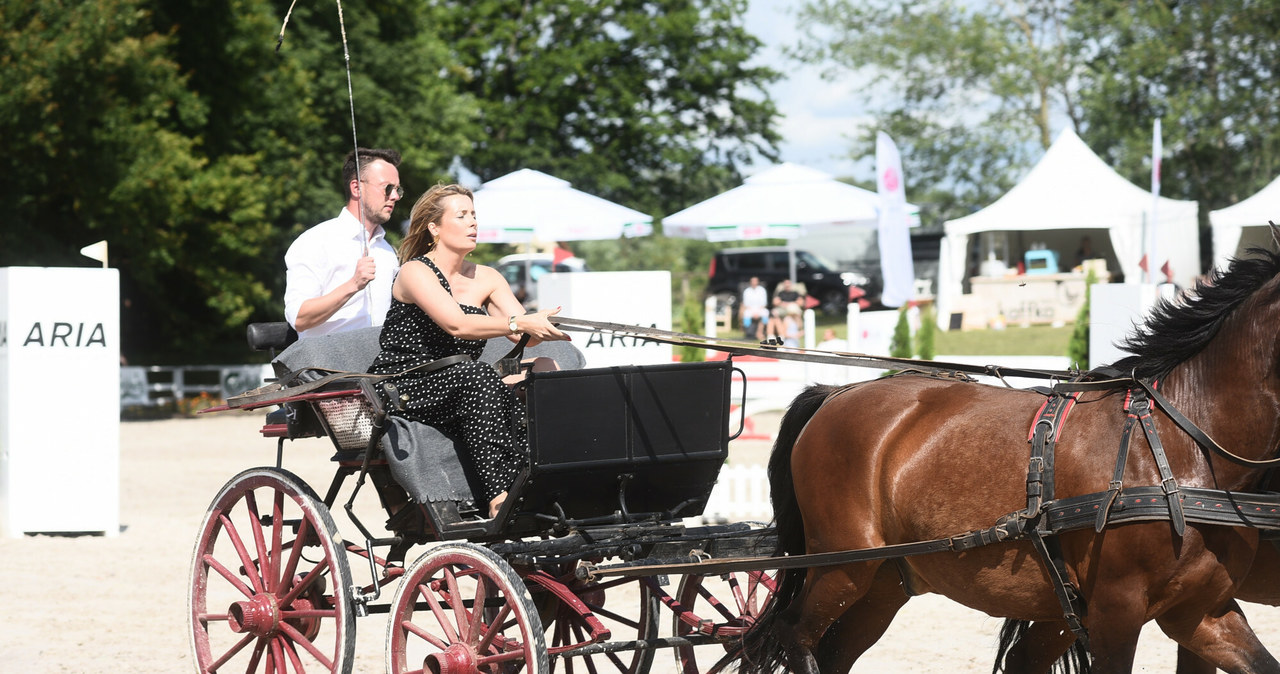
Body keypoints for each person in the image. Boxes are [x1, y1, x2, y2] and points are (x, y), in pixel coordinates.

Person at [368, 183, 569, 518]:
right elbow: (458, 325)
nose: (473, 223)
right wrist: (520, 323)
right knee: (476, 374)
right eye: (462, 216)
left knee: (545, 366)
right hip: (408, 383)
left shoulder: (488, 277)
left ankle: (552, 477)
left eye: (474, 215)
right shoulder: (415, 271)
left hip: (462, 381)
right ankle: (498, 496)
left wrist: (541, 323)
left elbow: (525, 335)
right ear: (434, 228)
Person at [284, 148, 405, 338]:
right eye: (387, 188)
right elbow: (299, 318)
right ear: (357, 188)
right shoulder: (314, 242)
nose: (395, 196)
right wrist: (353, 284)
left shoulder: (387, 251)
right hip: (327, 365)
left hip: (380, 364)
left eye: (398, 189)